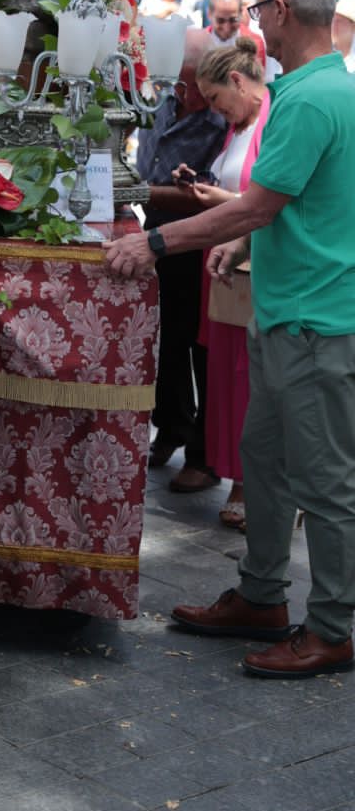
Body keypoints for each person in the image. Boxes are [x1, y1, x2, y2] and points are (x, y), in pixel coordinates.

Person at [106, 0, 355, 679]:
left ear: (279, 11)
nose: (251, 21)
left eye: (256, 9)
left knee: (327, 484)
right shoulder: (321, 87)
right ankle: (262, 596)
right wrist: (243, 239)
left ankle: (334, 627)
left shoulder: (309, 98)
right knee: (269, 469)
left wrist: (156, 242)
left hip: (317, 320)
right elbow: (291, 204)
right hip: (295, 313)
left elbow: (258, 204)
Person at [136, 29, 227, 488]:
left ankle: (204, 456)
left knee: (201, 349)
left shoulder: (220, 115)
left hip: (203, 241)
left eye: (194, 85)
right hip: (157, 230)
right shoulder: (161, 97)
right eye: (179, 84)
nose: (186, 95)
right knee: (164, 341)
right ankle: (171, 425)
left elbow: (217, 196)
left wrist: (146, 191)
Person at [190, 38, 271, 528]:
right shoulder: (240, 125)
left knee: (247, 375)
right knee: (226, 373)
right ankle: (239, 475)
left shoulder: (271, 122)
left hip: (250, 267)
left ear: (238, 82)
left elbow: (259, 199)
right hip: (224, 264)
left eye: (217, 99)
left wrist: (219, 197)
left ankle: (250, 483)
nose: (216, 111)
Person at [332, 0, 355, 74]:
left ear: (353, 26)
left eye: (340, 21)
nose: (334, 24)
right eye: (333, 20)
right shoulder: (324, 51)